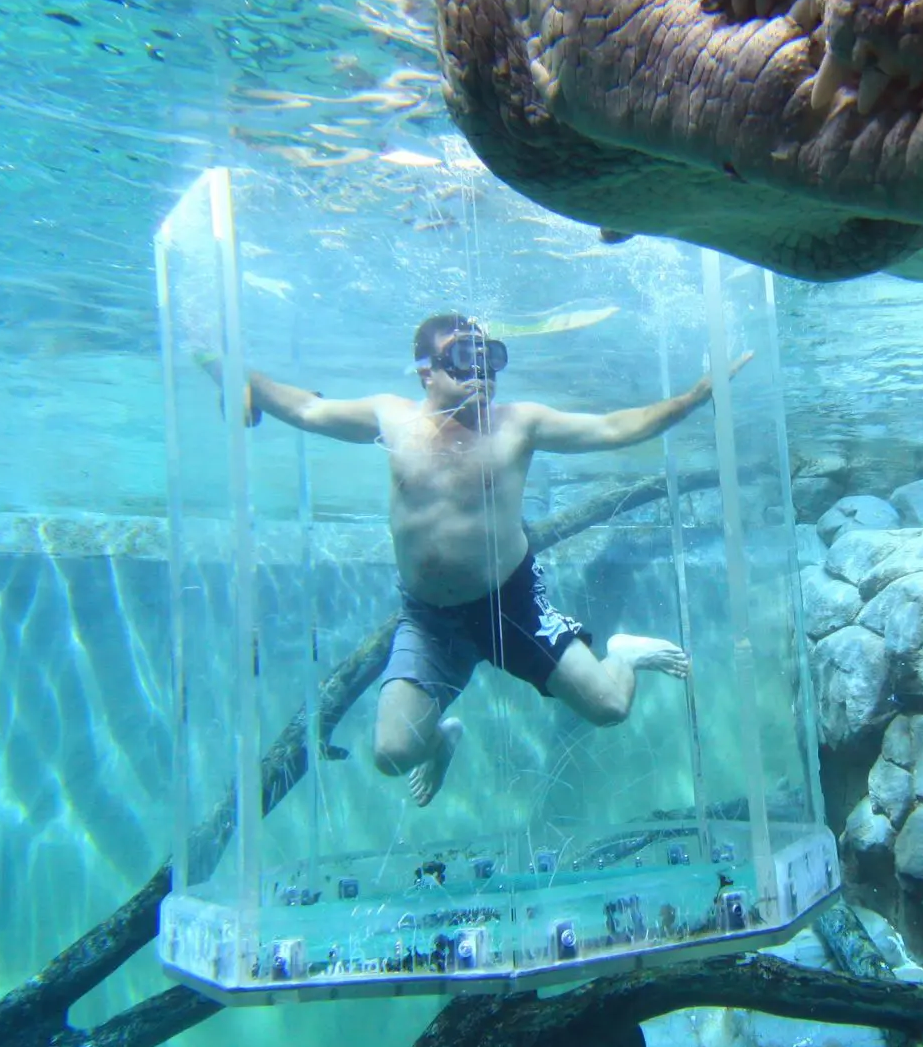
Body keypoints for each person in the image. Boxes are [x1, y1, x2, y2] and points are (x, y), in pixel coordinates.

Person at [245, 314, 746, 806]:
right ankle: (441, 739)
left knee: (611, 707)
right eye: (463, 361)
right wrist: (241, 379)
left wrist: (692, 398)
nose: (481, 374)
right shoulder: (392, 418)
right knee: (393, 754)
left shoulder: (518, 423)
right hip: (428, 617)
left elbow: (613, 428)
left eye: (490, 362)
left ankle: (623, 654)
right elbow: (307, 411)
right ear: (427, 372)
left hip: (512, 604)